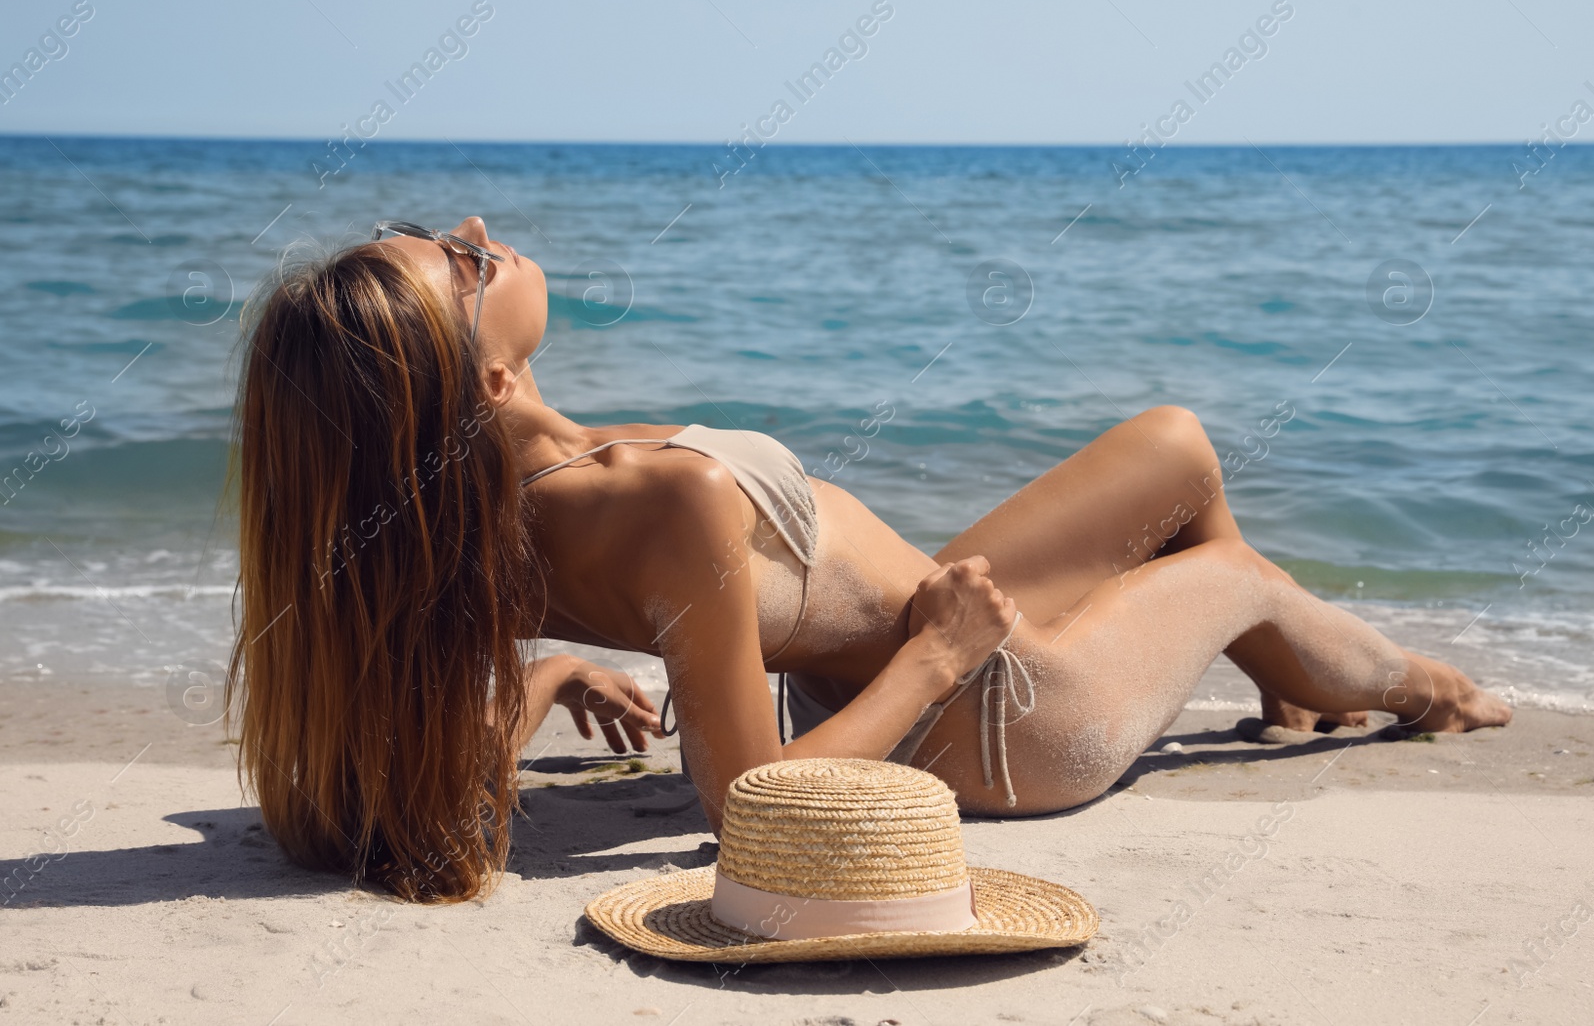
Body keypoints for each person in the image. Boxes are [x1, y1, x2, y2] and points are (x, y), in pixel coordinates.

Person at [228, 216, 1510, 902]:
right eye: (458, 262)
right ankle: (1409, 685)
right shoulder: (653, 496)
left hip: (914, 645)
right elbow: (743, 812)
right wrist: (948, 650)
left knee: (1174, 453)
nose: (477, 228)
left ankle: (1276, 683)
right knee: (1241, 574)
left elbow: (429, 731)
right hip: (994, 708)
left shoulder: (462, 520)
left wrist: (558, 674)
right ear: (488, 374)